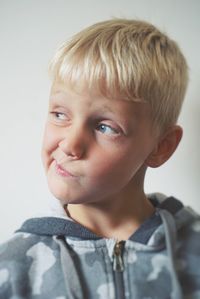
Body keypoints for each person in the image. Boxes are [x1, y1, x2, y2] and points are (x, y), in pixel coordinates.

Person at [0, 18, 199, 299]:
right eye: (60, 114)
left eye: (105, 127)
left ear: (161, 147)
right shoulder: (13, 268)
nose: (69, 144)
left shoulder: (193, 250)